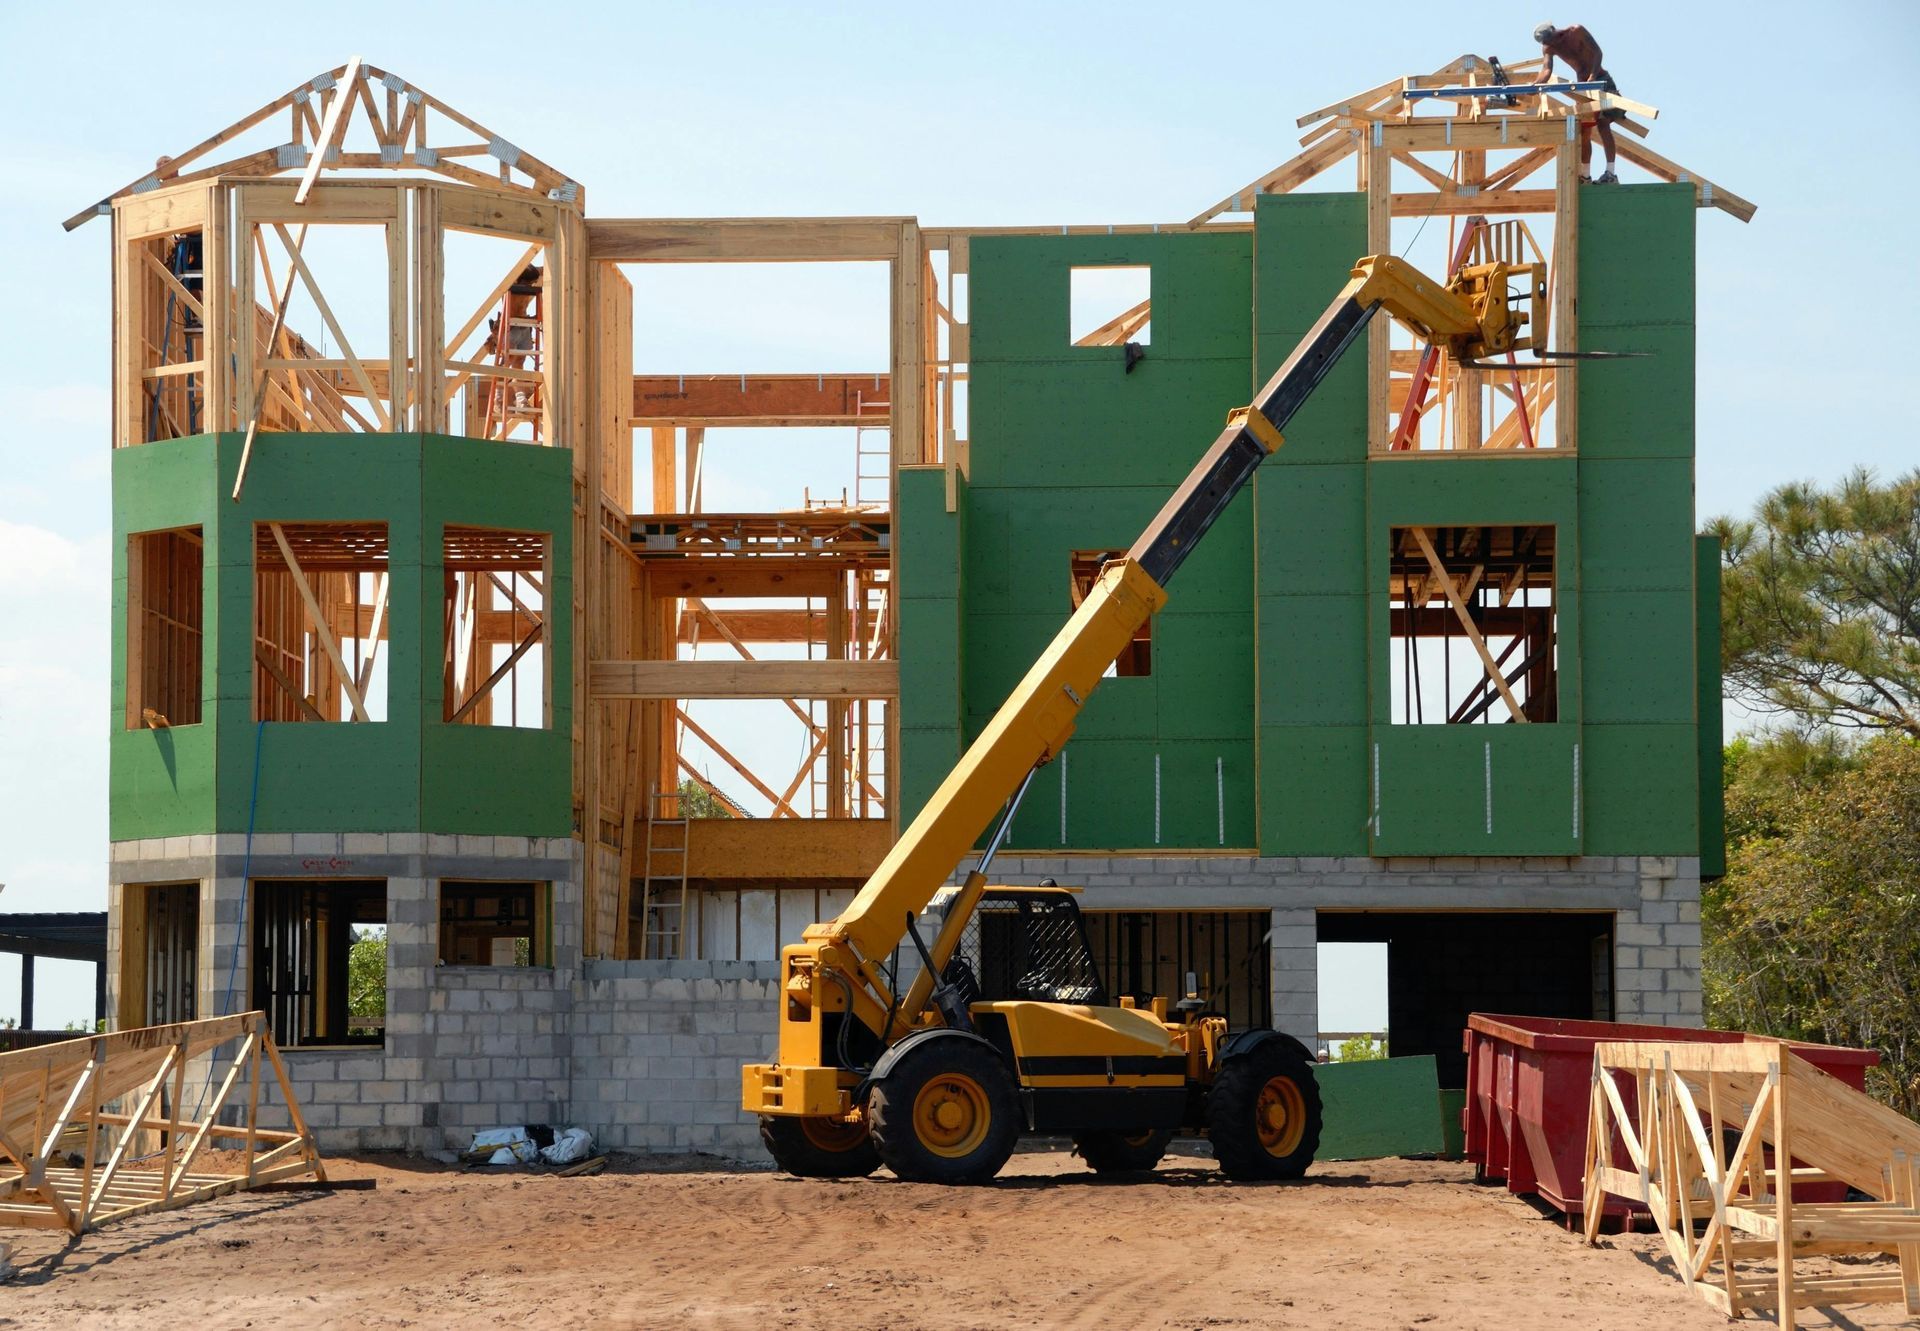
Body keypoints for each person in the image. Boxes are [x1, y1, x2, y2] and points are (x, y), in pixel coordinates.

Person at [1534, 22, 1624, 184]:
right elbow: (1547, 69)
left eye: (1550, 41)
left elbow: (1598, 53)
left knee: (1603, 124)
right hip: (1582, 86)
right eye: (1546, 44)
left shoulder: (1576, 31)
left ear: (1556, 33)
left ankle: (1610, 173)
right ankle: (1585, 176)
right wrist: (1536, 86)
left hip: (1600, 80)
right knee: (1584, 130)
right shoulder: (1549, 47)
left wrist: (1593, 77)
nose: (1550, 45)